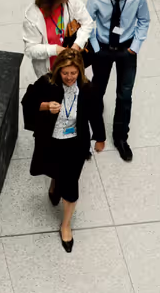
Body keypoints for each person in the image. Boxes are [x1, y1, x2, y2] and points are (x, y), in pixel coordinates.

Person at [22, 48, 105, 252]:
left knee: (70, 185)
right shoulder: (47, 83)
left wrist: (100, 138)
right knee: (53, 168)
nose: (69, 77)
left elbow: (95, 114)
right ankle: (54, 184)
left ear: (80, 71)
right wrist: (45, 106)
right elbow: (27, 102)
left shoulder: (88, 89)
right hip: (51, 140)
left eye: (73, 73)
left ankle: (66, 225)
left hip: (75, 143)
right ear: (59, 70)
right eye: (65, 73)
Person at [86, 0, 150, 162]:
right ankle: (97, 133)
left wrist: (135, 47)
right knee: (97, 92)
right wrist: (96, 49)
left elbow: (144, 20)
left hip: (127, 49)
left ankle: (121, 138)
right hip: (103, 49)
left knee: (125, 95)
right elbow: (87, 23)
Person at [23, 0, 93, 78]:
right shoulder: (32, 17)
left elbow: (87, 23)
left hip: (69, 64)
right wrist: (56, 50)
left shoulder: (70, 0)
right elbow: (30, 49)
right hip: (49, 68)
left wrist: (77, 45)